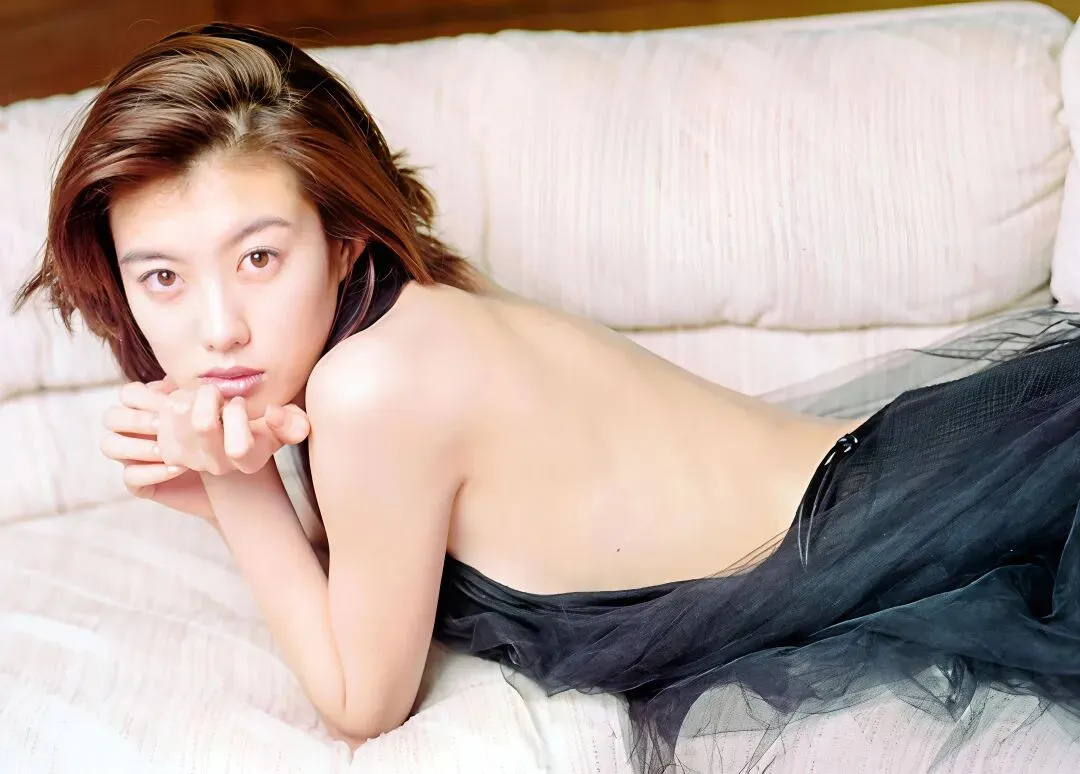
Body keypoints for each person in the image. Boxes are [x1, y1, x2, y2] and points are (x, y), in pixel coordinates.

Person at [12, 21, 1080, 774]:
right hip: (905, 494)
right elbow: (376, 577)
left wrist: (233, 490)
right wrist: (239, 471)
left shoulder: (373, 383)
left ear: (342, 243)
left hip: (909, 545)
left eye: (258, 257)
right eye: (163, 277)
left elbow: (361, 703)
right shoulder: (410, 306)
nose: (218, 328)